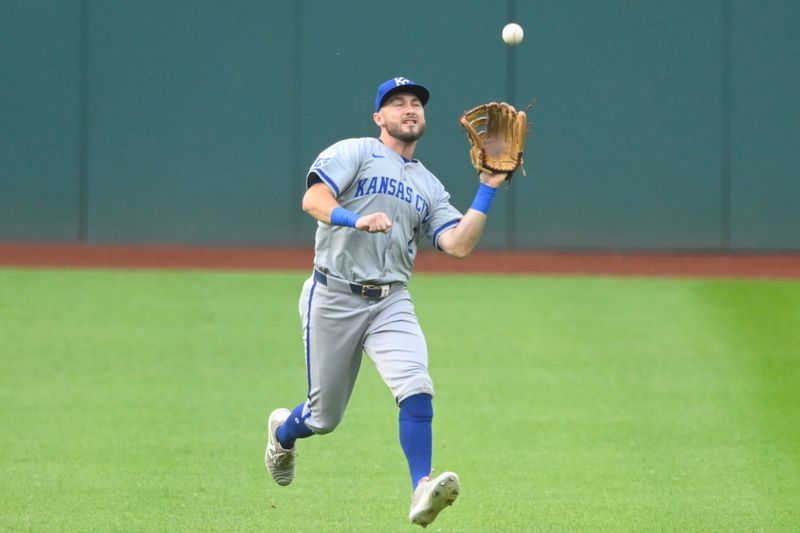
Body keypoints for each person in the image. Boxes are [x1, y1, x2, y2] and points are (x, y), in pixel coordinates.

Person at [265, 76, 508, 528]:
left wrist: (488, 187)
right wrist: (355, 221)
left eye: (416, 102)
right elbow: (313, 199)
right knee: (323, 417)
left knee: (416, 383)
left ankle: (421, 486)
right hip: (333, 294)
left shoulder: (429, 185)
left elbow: (457, 244)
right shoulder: (355, 151)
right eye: (398, 103)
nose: (409, 108)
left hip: (390, 300)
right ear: (380, 117)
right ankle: (282, 434)